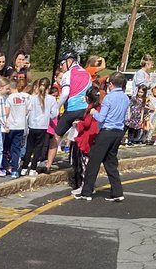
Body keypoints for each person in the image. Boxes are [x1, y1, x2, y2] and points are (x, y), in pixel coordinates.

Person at [73, 72, 129, 202]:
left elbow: (101, 118)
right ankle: (117, 192)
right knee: (110, 162)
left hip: (106, 131)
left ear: (111, 84)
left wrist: (94, 112)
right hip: (118, 132)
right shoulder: (126, 98)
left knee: (94, 162)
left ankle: (86, 192)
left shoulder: (109, 98)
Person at [45, 51, 90, 171]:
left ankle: (48, 165)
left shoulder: (68, 74)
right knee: (81, 136)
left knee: (57, 136)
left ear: (69, 61)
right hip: (84, 109)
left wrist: (56, 106)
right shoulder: (87, 73)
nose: (61, 67)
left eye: (62, 63)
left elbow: (65, 94)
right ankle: (81, 164)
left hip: (71, 109)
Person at [21, 79, 58, 175]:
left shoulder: (32, 98)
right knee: (38, 147)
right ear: (49, 87)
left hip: (32, 125)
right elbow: (54, 114)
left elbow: (27, 110)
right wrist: (47, 116)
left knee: (29, 147)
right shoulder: (51, 99)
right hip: (43, 126)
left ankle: (24, 167)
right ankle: (33, 169)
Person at [70, 87, 101, 191]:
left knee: (84, 163)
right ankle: (90, 185)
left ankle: (85, 186)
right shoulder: (100, 107)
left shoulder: (91, 108)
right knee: (91, 163)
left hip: (87, 137)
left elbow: (87, 123)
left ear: (87, 98)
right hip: (96, 135)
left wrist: (78, 123)